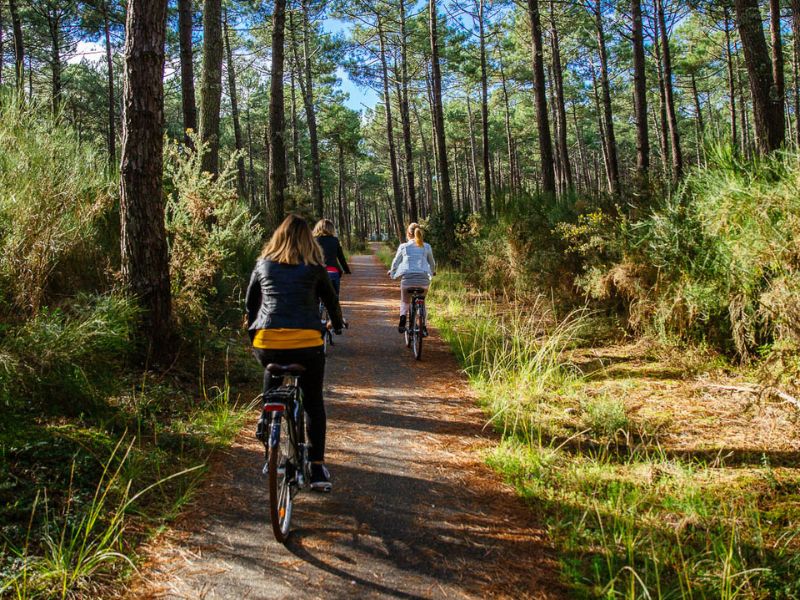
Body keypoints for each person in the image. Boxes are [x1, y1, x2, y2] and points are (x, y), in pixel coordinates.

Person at [246, 214, 344, 492]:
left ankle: (268, 419)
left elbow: (250, 305)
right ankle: (316, 467)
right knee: (313, 400)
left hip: (267, 343)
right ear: (308, 240)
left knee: (271, 370)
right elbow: (331, 303)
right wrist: (336, 325)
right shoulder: (314, 267)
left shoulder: (262, 264)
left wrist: (255, 338)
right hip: (307, 344)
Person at [388, 222, 436, 334]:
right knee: (422, 302)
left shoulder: (403, 247)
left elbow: (396, 262)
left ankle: (403, 318)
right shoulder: (427, 246)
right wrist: (432, 272)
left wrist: (392, 273)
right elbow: (432, 263)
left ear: (408, 234)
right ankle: (423, 326)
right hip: (423, 280)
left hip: (407, 280)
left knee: (405, 301)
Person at [312, 219, 351, 297]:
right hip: (333, 272)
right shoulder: (335, 240)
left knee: (318, 298)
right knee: (334, 298)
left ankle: (321, 307)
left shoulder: (314, 241)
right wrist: (347, 270)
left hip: (318, 273)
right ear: (331, 228)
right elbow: (341, 257)